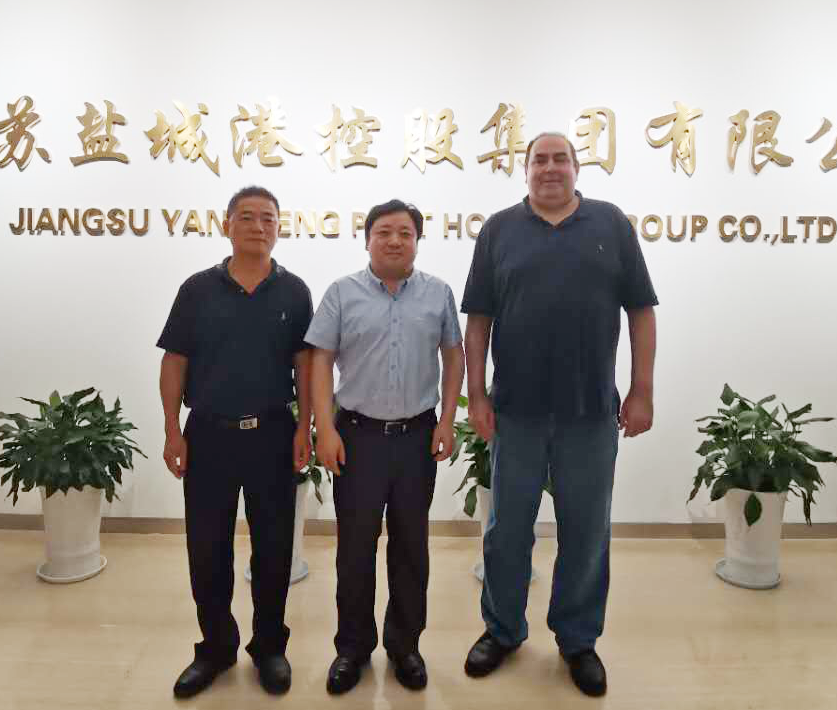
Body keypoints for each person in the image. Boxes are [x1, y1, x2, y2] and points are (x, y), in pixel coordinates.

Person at [459, 133, 659, 697]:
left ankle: (577, 639)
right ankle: (502, 630)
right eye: (539, 160)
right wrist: (477, 395)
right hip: (516, 411)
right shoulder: (499, 229)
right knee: (506, 530)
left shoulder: (610, 224)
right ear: (525, 169)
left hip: (589, 412)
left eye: (560, 159)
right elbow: (478, 320)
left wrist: (641, 390)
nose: (550, 168)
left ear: (576, 167)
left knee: (587, 532)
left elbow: (641, 311)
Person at [157, 185, 313, 698]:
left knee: (274, 548)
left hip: (272, 434)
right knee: (207, 549)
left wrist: (304, 427)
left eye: (268, 218)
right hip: (208, 436)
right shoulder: (197, 290)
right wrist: (172, 430)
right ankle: (216, 647)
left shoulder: (294, 292)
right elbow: (174, 361)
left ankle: (269, 647)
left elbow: (305, 365)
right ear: (227, 225)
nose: (258, 226)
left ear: (279, 228)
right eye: (246, 217)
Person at [307, 199, 465, 694]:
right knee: (354, 549)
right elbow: (320, 360)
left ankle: (405, 647)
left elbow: (454, 356)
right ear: (367, 239)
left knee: (411, 546)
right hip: (357, 438)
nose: (394, 241)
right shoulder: (342, 292)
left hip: (416, 438)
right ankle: (352, 649)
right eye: (384, 232)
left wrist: (446, 420)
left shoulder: (438, 293)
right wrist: (325, 429)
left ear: (417, 240)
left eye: (404, 233)